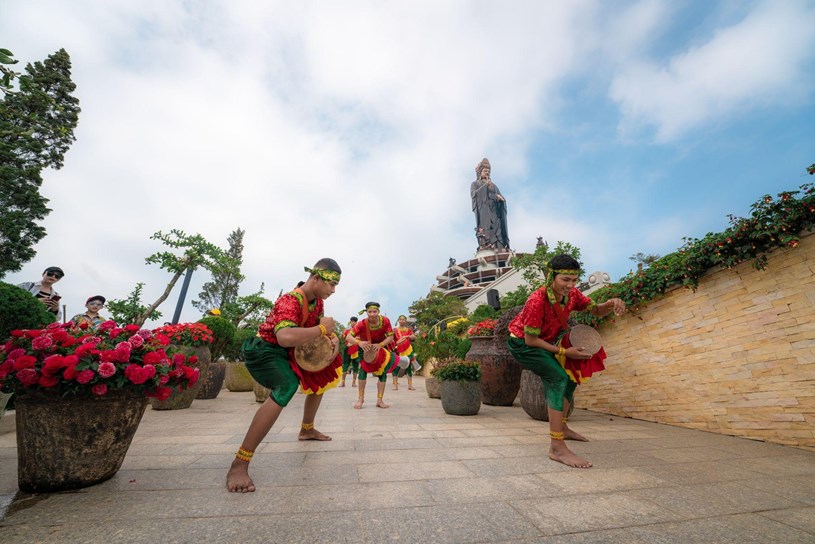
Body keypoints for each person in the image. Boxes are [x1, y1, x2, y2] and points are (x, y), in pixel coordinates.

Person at [227, 259, 343, 493]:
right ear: (316, 278)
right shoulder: (289, 300)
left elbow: (318, 330)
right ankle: (239, 463)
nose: (333, 290)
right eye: (331, 284)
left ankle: (307, 429)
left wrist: (333, 340)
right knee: (287, 386)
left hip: (286, 352)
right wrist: (322, 330)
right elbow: (285, 337)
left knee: (323, 372)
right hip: (264, 351)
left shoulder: (317, 303)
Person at [506, 254, 626, 469]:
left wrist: (610, 303)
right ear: (551, 277)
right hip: (523, 345)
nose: (570, 285)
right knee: (558, 378)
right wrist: (564, 351)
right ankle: (556, 447)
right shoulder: (536, 301)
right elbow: (531, 339)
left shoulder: (572, 295)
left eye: (573, 280)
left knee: (570, 379)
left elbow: (597, 310)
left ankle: (563, 428)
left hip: (545, 341)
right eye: (565, 280)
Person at [347, 302, 397, 409]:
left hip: (380, 348)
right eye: (370, 312)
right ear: (366, 312)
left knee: (382, 373)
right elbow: (348, 337)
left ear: (378, 312)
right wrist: (359, 343)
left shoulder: (385, 321)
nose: (372, 314)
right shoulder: (361, 324)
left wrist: (381, 344)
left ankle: (380, 400)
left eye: (375, 312)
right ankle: (360, 399)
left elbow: (390, 337)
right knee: (363, 371)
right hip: (365, 348)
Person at [470, 158, 509, 250]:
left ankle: (500, 246)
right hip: (484, 211)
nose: (487, 173)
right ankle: (485, 244)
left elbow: (500, 196)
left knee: (498, 231)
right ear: (480, 172)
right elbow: (474, 195)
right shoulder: (475, 184)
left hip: (495, 213)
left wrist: (501, 199)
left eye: (488, 171)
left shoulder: (494, 186)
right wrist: (485, 185)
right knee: (485, 230)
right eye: (485, 171)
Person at [392, 315, 417, 391]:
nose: (402, 321)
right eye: (400, 319)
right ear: (398, 321)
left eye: (403, 319)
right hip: (398, 351)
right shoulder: (395, 330)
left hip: (408, 350)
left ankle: (410, 385)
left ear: (405, 321)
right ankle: (395, 385)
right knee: (396, 367)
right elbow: (391, 340)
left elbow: (413, 337)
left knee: (408, 367)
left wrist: (408, 337)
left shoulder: (409, 330)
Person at [339, 317, 359, 387]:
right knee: (345, 365)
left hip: (356, 349)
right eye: (352, 321)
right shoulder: (347, 330)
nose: (353, 323)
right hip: (347, 349)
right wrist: (342, 333)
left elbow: (360, 339)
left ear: (356, 323)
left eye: (354, 321)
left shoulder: (359, 331)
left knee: (355, 366)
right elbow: (342, 338)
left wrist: (353, 342)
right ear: (350, 322)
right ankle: (343, 382)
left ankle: (354, 382)